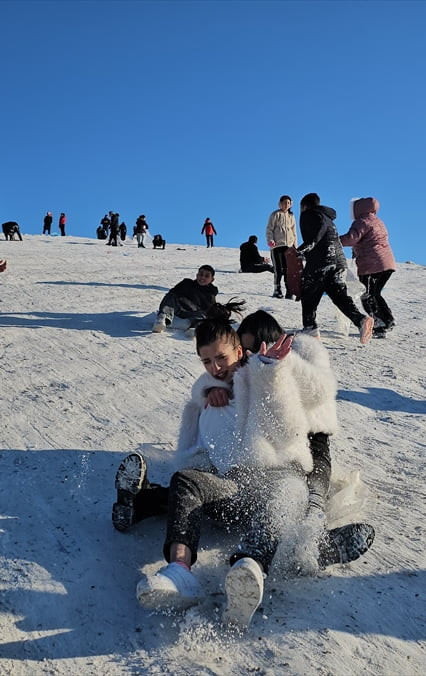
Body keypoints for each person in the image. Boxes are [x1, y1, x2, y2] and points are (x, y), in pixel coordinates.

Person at [130, 302, 374, 629]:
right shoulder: (219, 391)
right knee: (186, 480)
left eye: (229, 357)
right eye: (208, 361)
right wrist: (210, 391)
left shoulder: (278, 369)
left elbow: (295, 422)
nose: (219, 367)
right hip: (238, 487)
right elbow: (206, 446)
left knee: (291, 492)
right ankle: (179, 572)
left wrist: (273, 372)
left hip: (295, 460)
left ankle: (258, 563)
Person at [297, 193, 373, 343]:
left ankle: (310, 328)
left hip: (322, 261)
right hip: (338, 261)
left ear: (304, 206)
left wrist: (301, 251)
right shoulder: (327, 218)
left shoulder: (309, 214)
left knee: (309, 291)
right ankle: (360, 320)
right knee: (339, 296)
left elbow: (316, 236)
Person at [340, 197, 397, 338]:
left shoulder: (361, 222)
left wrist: (334, 240)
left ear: (358, 209)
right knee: (375, 293)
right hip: (387, 263)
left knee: (367, 295)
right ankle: (387, 319)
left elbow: (351, 238)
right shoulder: (378, 221)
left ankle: (379, 323)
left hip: (372, 265)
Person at [152, 265, 219, 333]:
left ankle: (194, 328)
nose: (202, 277)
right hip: (177, 310)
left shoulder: (210, 294)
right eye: (201, 274)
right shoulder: (187, 283)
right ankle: (162, 320)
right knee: (170, 296)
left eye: (206, 276)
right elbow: (172, 294)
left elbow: (209, 312)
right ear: (197, 275)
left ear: (212, 279)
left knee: (203, 315)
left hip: (192, 315)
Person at [266, 195, 297, 298]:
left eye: (288, 203)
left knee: (288, 269)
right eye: (284, 202)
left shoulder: (291, 216)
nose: (286, 205)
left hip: (288, 246)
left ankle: (289, 290)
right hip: (277, 246)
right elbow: (269, 229)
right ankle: (277, 289)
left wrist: (294, 246)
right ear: (280, 203)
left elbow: (294, 231)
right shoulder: (275, 214)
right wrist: (271, 240)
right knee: (278, 269)